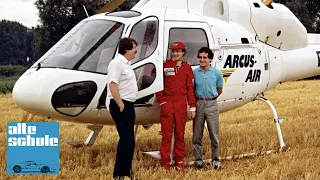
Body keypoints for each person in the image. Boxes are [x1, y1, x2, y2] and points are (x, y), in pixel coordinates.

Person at [156, 42, 196, 172]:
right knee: (166, 135)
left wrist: (192, 106)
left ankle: (179, 161)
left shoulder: (187, 68)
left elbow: (190, 88)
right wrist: (162, 101)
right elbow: (158, 85)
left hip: (180, 103)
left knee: (180, 134)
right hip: (167, 102)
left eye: (178, 51)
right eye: (173, 51)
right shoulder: (165, 66)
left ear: (183, 52)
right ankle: (165, 163)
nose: (175, 53)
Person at [106, 37, 138, 179]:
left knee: (129, 140)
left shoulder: (127, 64)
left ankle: (126, 171)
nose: (136, 50)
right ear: (127, 49)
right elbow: (112, 84)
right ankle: (119, 174)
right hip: (121, 104)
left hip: (127, 104)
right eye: (134, 47)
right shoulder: (117, 63)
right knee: (126, 139)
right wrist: (120, 104)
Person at [192, 47, 224, 170]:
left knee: (214, 135)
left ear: (210, 59)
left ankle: (216, 161)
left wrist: (211, 98)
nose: (202, 60)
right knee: (196, 135)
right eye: (200, 57)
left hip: (211, 104)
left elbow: (219, 89)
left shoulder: (217, 73)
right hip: (199, 104)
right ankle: (198, 161)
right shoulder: (195, 73)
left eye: (205, 58)